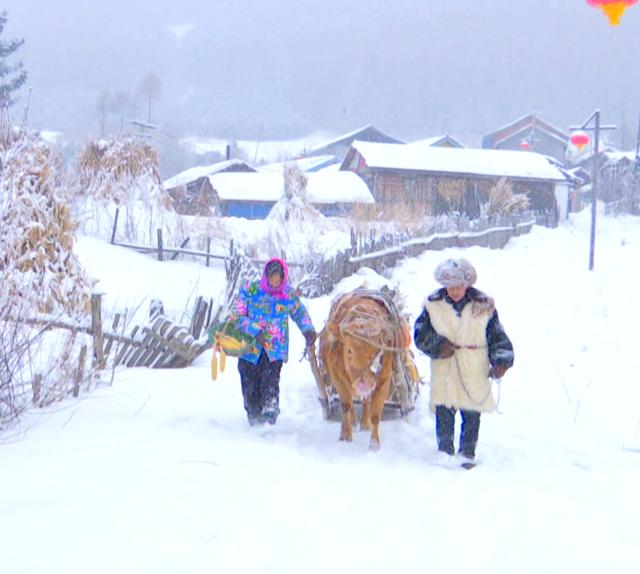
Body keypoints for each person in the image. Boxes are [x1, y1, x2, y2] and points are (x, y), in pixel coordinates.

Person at [413, 258, 514, 464]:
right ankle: (445, 451)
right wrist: (438, 346)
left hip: (474, 366)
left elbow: (497, 336)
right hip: (445, 367)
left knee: (471, 413)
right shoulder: (433, 305)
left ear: (467, 285)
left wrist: (501, 361)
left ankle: (467, 452)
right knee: (445, 410)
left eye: (459, 286)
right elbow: (420, 334)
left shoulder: (483, 306)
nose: (455, 291)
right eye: (450, 287)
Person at [231, 257, 316, 426]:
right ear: (266, 275)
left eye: (279, 278)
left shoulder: (288, 295)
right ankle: (253, 418)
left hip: (274, 350)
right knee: (250, 386)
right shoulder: (251, 290)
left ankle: (270, 418)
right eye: (272, 277)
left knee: (270, 382)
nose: (275, 281)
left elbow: (300, 313)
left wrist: (308, 329)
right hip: (249, 349)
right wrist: (254, 330)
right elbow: (237, 316)